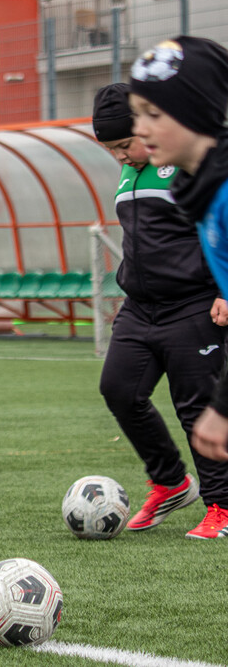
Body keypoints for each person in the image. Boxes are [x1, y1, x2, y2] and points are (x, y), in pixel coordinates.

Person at [91, 82, 228, 538]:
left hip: (194, 305)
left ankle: (222, 506)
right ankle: (170, 482)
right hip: (140, 308)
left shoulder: (190, 169)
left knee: (198, 409)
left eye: (124, 145)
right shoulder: (130, 172)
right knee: (118, 390)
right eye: (110, 149)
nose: (121, 157)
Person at [130, 36, 228, 537]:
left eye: (153, 112)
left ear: (196, 110)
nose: (140, 128)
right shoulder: (206, 192)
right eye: (136, 113)